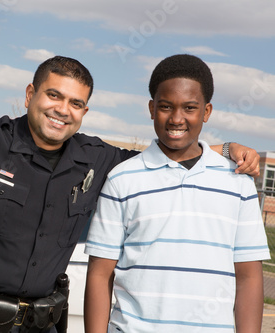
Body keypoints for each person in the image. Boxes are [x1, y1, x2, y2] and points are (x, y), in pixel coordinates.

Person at [0, 55, 260, 333]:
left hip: (44, 325)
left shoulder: (98, 158)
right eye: (54, 95)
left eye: (75, 103)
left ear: (85, 111)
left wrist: (228, 149)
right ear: (31, 94)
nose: (62, 109)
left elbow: (170, 143)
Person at [84, 54, 270, 333]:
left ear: (206, 112)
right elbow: (100, 274)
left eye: (190, 108)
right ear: (151, 108)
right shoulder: (121, 179)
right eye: (166, 106)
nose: (176, 118)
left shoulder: (238, 182)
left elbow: (248, 278)